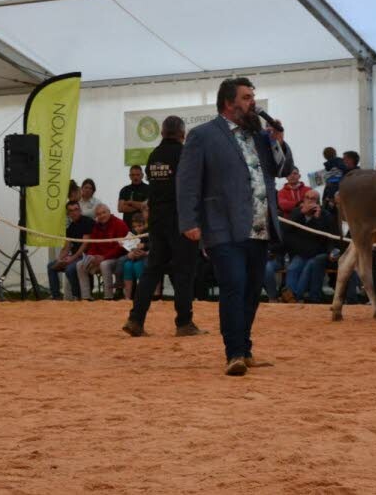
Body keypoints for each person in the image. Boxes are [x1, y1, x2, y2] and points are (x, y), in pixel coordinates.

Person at [177, 77, 293, 375]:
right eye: (246, 97)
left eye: (253, 96)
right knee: (234, 286)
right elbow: (187, 181)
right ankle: (235, 353)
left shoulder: (260, 136)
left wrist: (278, 141)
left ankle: (246, 349)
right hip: (222, 225)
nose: (253, 102)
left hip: (259, 226)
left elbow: (283, 170)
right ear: (229, 103)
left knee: (252, 290)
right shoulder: (203, 135)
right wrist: (189, 220)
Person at [124, 116, 205, 336]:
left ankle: (135, 320)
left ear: (161, 133)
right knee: (184, 272)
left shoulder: (153, 156)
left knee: (151, 271)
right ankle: (184, 323)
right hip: (181, 221)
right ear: (183, 134)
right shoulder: (185, 153)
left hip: (157, 221)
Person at [283, 189, 336, 303]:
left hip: (317, 253)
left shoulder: (325, 215)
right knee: (293, 268)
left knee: (307, 269)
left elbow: (326, 238)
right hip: (300, 253)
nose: (309, 201)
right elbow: (286, 229)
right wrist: (302, 213)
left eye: (313, 199)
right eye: (307, 198)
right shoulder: (297, 212)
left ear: (318, 202)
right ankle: (291, 296)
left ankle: (294, 297)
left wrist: (317, 219)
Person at [76, 203, 128, 300]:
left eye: (104, 212)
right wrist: (92, 256)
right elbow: (93, 244)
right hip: (99, 258)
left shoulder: (119, 224)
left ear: (109, 212)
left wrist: (104, 257)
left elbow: (121, 248)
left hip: (116, 258)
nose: (101, 216)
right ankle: (86, 297)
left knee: (104, 264)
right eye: (99, 214)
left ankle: (108, 296)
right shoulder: (96, 226)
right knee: (80, 265)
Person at [47, 201, 93, 300]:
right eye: (71, 211)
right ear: (68, 213)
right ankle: (56, 297)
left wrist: (72, 258)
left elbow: (85, 244)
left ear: (80, 210)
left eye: (76, 209)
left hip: (86, 255)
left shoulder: (87, 222)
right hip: (75, 256)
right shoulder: (71, 227)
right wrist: (60, 259)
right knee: (51, 266)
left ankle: (77, 296)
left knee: (70, 268)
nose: (74, 212)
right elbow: (66, 247)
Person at [119, 212, 149, 301]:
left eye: (139, 226)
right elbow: (128, 247)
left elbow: (156, 245)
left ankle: (142, 296)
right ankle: (127, 297)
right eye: (135, 227)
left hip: (145, 258)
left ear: (146, 224)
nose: (137, 228)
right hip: (133, 257)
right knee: (127, 265)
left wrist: (144, 246)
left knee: (137, 266)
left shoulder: (149, 233)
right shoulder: (132, 233)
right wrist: (123, 245)